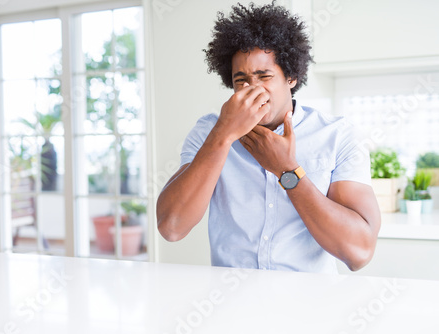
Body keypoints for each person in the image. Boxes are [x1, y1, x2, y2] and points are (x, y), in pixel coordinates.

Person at [156, 1, 381, 273]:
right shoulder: (209, 132)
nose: (253, 90)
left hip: (310, 305)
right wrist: (223, 135)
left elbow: (359, 252)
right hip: (229, 303)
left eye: (264, 76)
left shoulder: (337, 135)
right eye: (241, 80)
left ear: (291, 77)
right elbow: (171, 227)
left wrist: (287, 171)